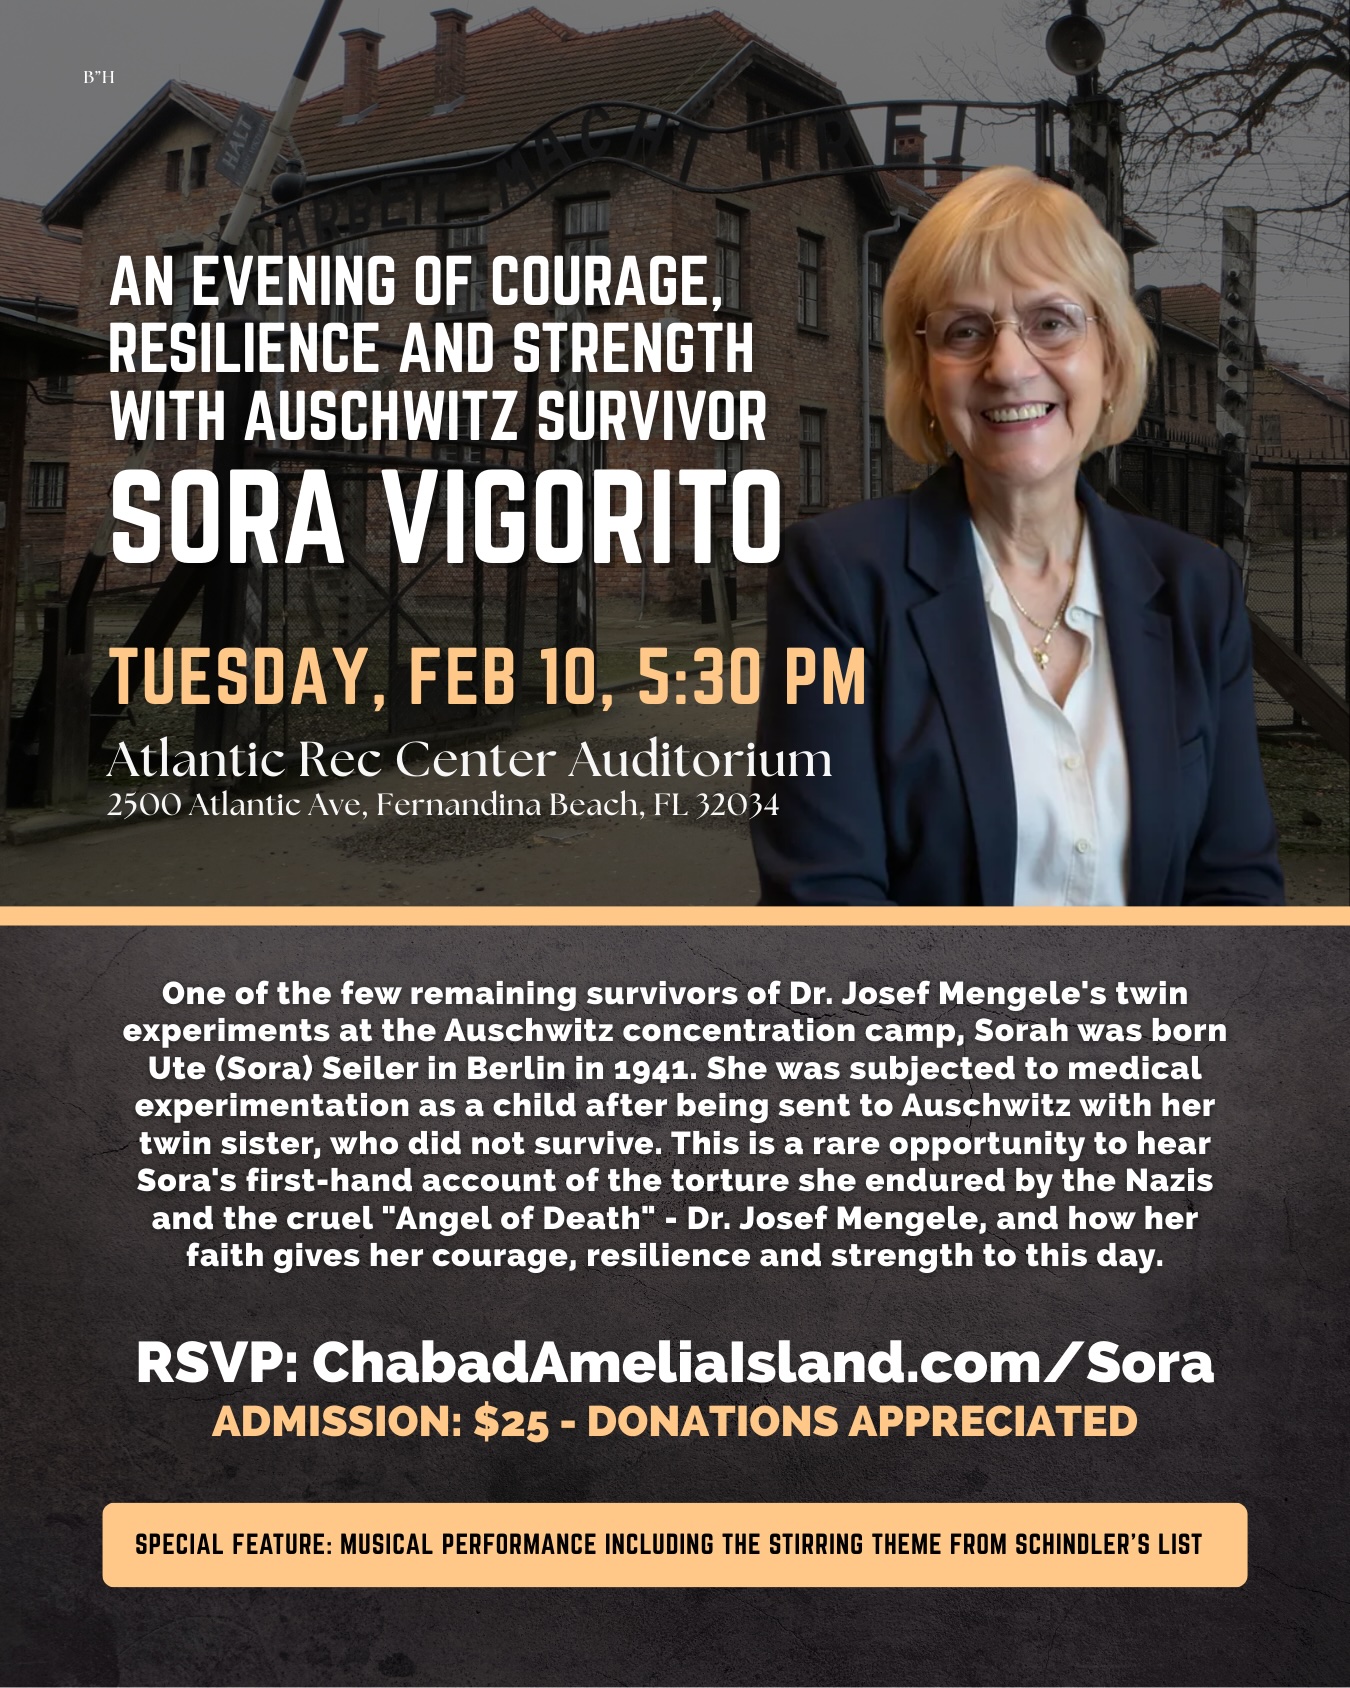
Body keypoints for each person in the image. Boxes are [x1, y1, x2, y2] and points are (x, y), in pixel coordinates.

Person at [752, 165, 1283, 906]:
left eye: (1052, 322)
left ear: (1111, 356)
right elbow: (825, 899)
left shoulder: (1199, 590)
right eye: (964, 330)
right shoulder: (838, 578)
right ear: (925, 376)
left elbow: (1236, 889)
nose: (1006, 366)